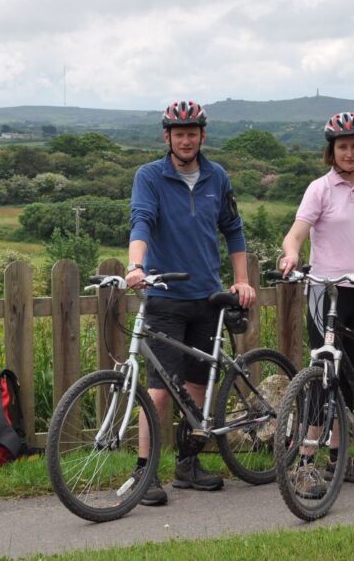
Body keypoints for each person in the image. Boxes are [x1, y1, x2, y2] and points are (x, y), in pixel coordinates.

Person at [126, 100, 257, 506]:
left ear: (202, 136)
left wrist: (241, 280)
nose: (186, 139)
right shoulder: (149, 176)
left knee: (197, 384)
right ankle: (145, 471)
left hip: (208, 297)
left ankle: (188, 464)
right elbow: (142, 220)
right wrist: (136, 265)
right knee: (159, 391)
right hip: (165, 297)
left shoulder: (217, 176)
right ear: (167, 137)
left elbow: (233, 230)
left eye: (192, 133)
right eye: (178, 133)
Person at [279, 110, 354, 498]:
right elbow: (295, 236)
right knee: (323, 373)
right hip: (325, 290)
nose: (349, 152)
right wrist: (290, 256)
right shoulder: (319, 189)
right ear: (330, 151)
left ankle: (339, 457)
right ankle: (305, 464)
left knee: (347, 376)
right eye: (341, 146)